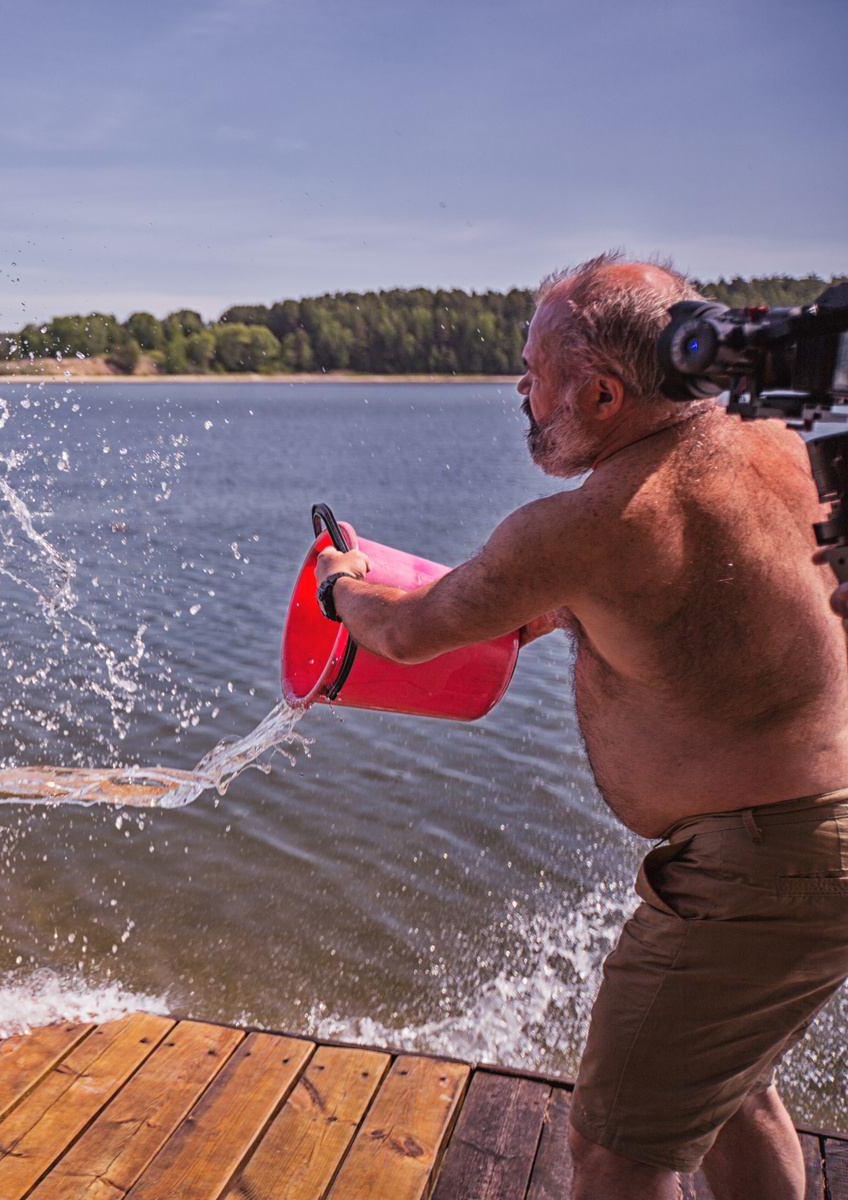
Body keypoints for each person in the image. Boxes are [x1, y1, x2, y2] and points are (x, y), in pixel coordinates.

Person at [313, 254, 848, 1199]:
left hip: (758, 867)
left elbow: (401, 634)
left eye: (535, 373)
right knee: (727, 1089)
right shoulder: (779, 446)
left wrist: (341, 585)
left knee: (614, 1151)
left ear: (603, 394)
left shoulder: (585, 527)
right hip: (822, 833)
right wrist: (559, 604)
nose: (520, 390)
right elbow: (707, 591)